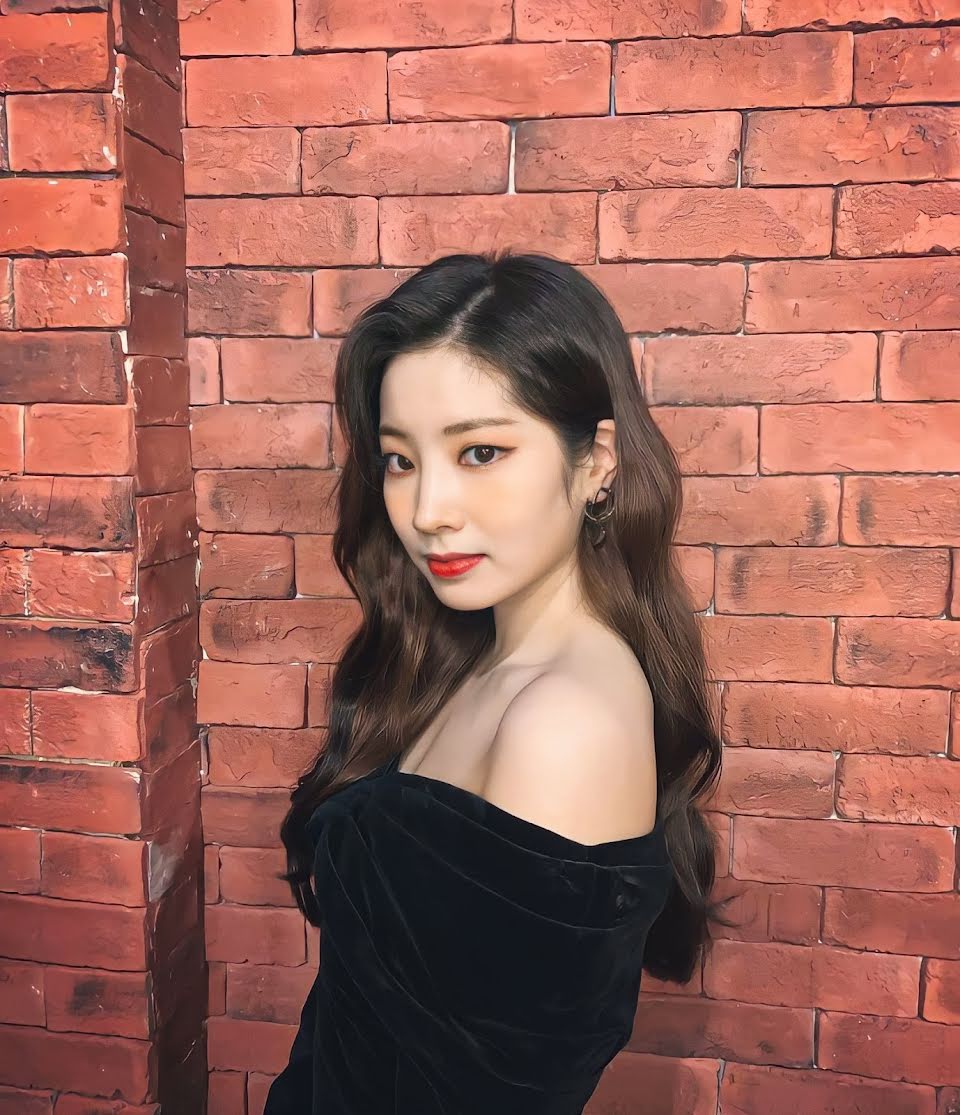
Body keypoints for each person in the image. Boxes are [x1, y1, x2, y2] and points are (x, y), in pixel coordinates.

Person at [263, 250, 733, 1114]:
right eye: (400, 460)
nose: (428, 510)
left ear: (596, 461)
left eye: (480, 451)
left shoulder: (564, 722)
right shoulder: (472, 658)